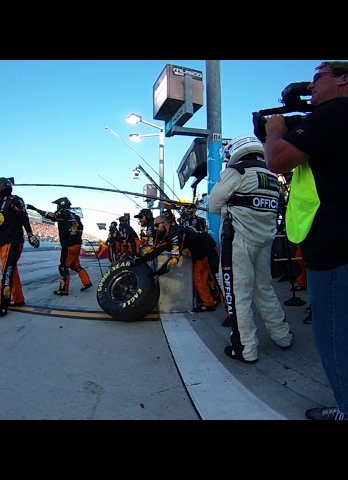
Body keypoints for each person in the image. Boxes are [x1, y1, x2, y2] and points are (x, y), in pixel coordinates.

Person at [264, 60, 348, 420]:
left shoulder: (335, 113)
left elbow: (279, 160)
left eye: (317, 79)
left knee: (334, 336)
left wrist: (274, 130)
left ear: (344, 79)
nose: (311, 88)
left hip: (334, 245)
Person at [209, 135, 293, 365]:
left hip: (238, 243)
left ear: (236, 151)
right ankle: (283, 336)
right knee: (264, 290)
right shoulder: (272, 177)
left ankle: (245, 348)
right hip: (264, 242)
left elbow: (214, 204)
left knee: (238, 295)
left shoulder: (237, 171)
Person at [134, 215, 223, 312]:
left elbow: (174, 260)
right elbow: (156, 251)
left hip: (209, 250)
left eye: (156, 225)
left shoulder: (176, 233)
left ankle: (231, 313)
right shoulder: (167, 235)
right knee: (198, 278)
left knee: (217, 280)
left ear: (165, 224)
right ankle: (209, 304)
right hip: (199, 254)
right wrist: (138, 260)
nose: (155, 229)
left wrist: (157, 273)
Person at [0, 177, 40, 317]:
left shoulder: (14, 200)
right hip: (2, 242)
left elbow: (23, 217)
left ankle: (3, 304)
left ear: (0, 187)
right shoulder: (0, 205)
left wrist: (31, 234)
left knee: (6, 272)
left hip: (12, 241)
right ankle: (18, 299)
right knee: (11, 271)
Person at [27, 197, 92, 295]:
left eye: (58, 205)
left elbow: (50, 215)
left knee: (63, 267)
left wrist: (35, 209)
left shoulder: (63, 214)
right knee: (75, 265)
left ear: (61, 205)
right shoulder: (76, 216)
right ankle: (87, 282)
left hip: (68, 245)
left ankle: (63, 290)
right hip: (77, 244)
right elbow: (81, 228)